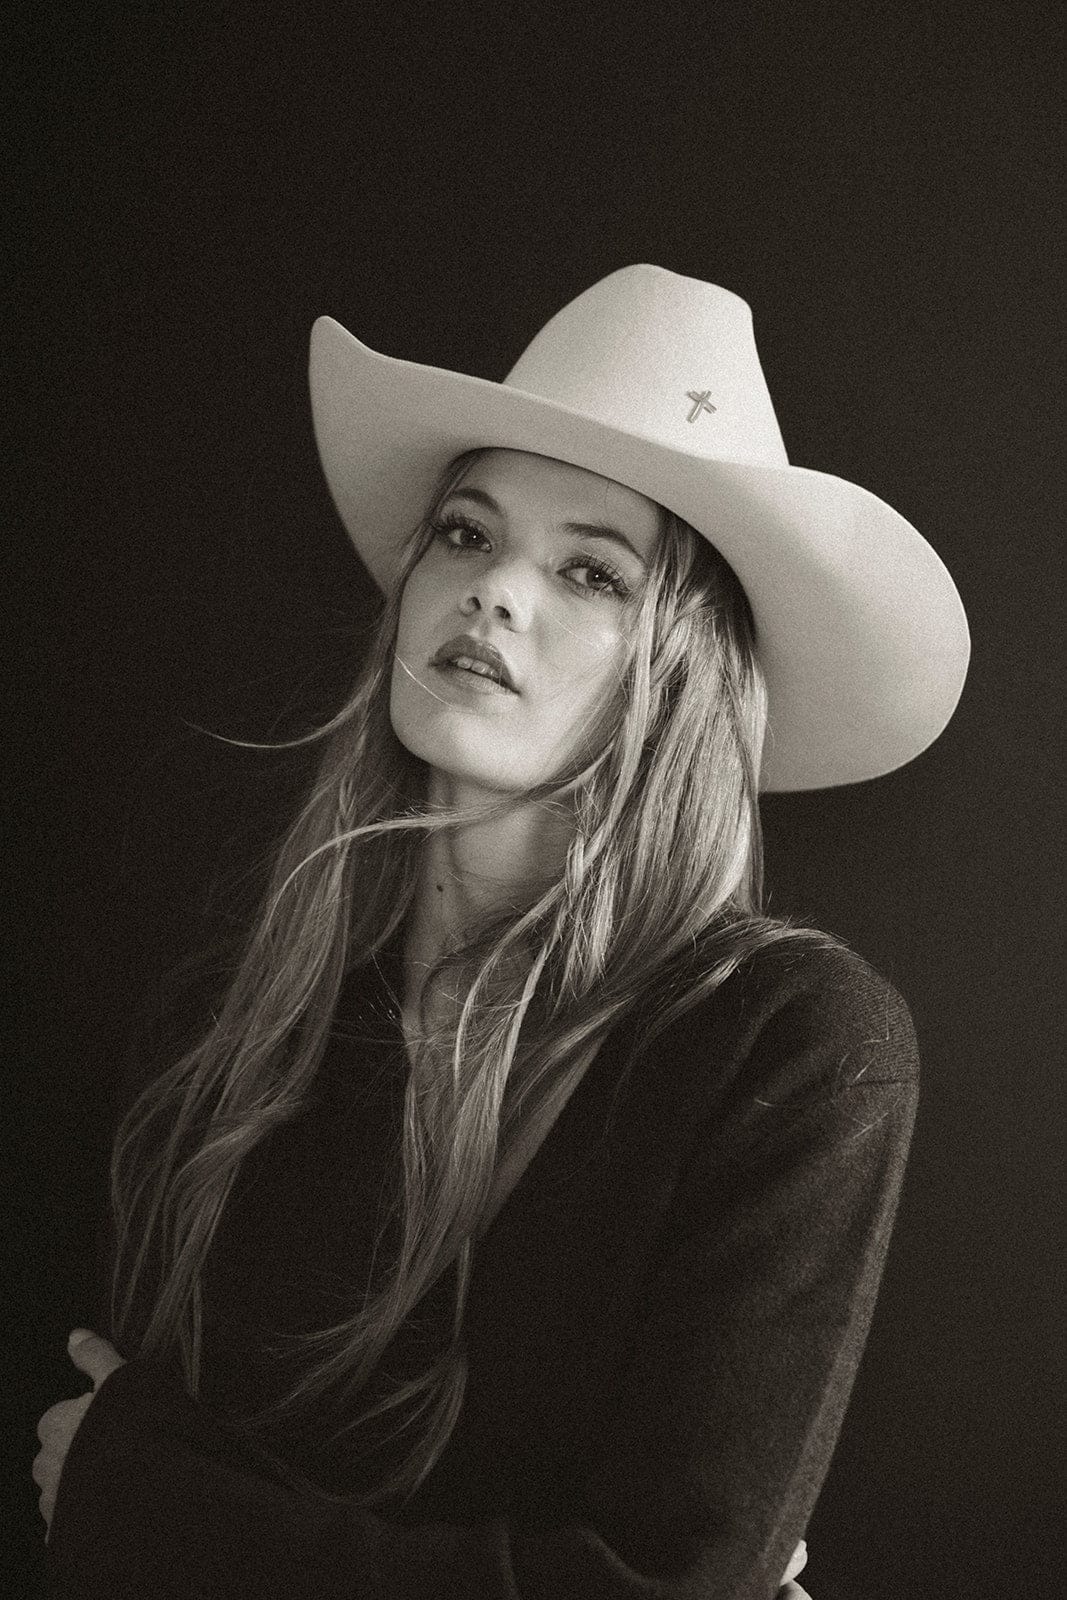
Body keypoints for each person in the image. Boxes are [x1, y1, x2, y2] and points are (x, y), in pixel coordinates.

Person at [35, 264, 969, 1599]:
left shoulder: (789, 1046)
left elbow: (655, 1581)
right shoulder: (240, 1015)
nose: (495, 593)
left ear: (686, 663)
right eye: (467, 534)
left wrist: (155, 1510)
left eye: (590, 569)